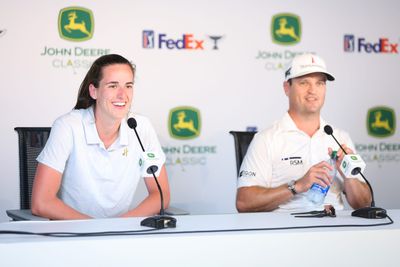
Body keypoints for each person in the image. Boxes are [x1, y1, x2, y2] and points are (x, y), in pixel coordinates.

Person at [31, 54, 170, 219]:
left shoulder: (141, 126)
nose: (122, 95)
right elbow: (42, 203)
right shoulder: (68, 126)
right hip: (72, 235)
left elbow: (160, 194)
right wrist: (97, 229)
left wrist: (121, 225)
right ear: (94, 91)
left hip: (121, 235)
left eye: (128, 86)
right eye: (113, 86)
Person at [236, 53, 371, 213]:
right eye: (304, 83)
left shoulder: (340, 137)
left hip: (334, 231)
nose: (313, 91)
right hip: (286, 233)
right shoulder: (266, 139)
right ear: (287, 88)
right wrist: (297, 186)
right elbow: (244, 202)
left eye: (320, 83)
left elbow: (364, 204)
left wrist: (348, 175)